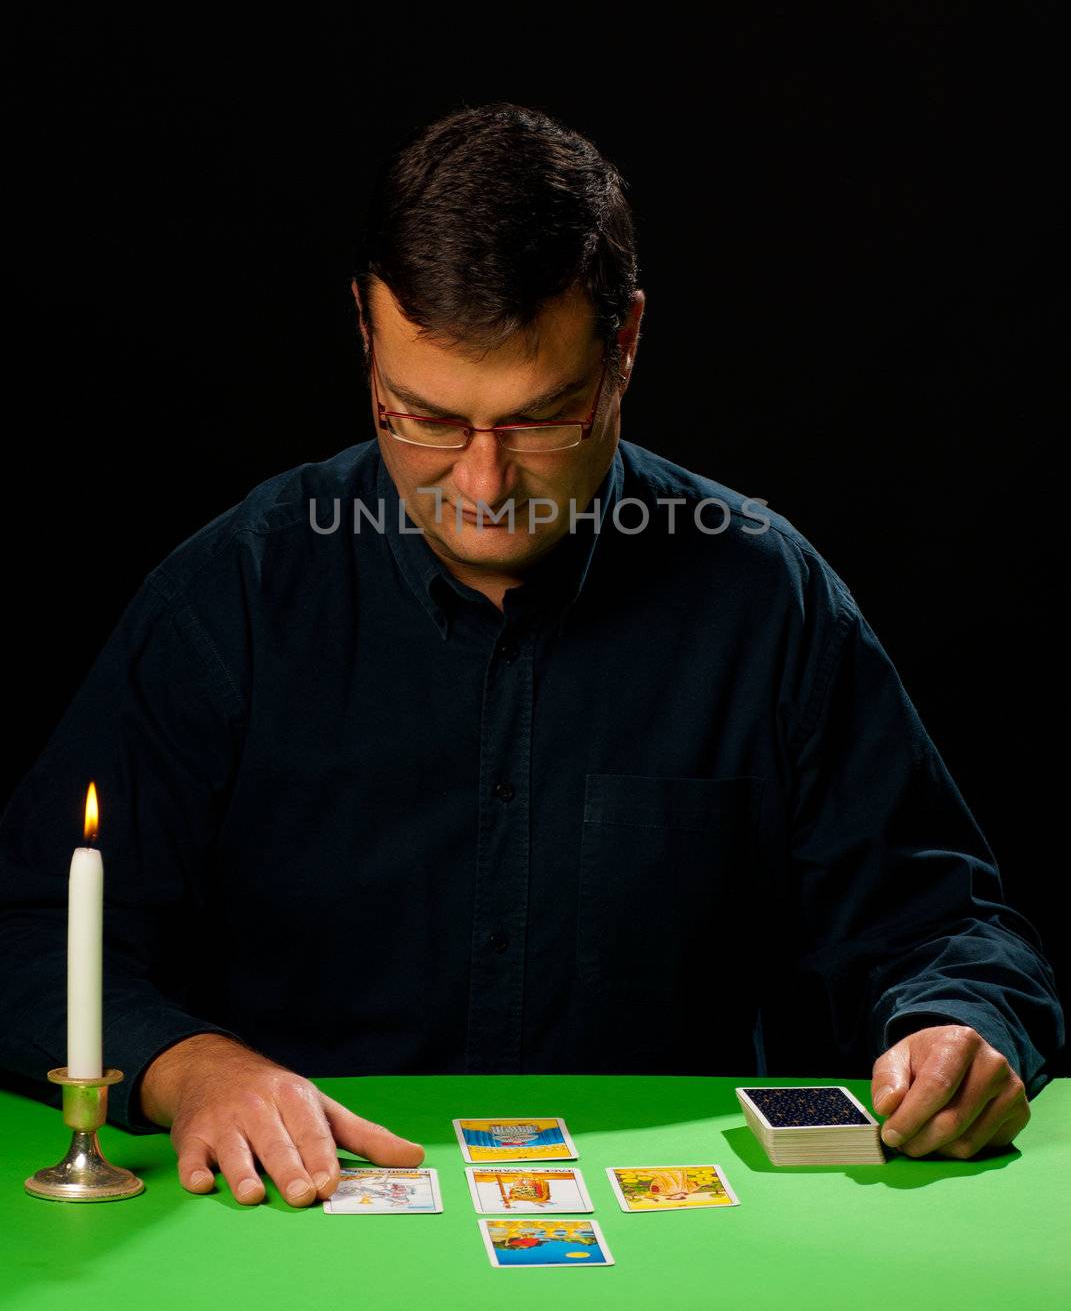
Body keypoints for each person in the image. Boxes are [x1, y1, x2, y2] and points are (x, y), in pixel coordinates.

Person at [0, 102, 1063, 1211]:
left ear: (627, 342)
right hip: (298, 1227)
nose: (482, 486)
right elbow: (25, 925)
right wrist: (186, 1066)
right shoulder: (232, 597)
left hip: (681, 1245)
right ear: (366, 335)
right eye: (421, 419)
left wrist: (961, 1028)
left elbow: (952, 929)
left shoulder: (768, 597)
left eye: (540, 420)